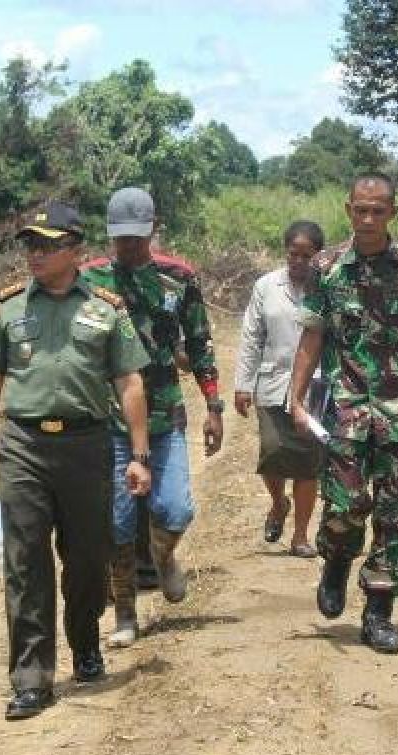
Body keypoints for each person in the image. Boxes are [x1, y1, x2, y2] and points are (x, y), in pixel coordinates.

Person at [0, 202, 153, 721]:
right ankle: (32, 678)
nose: (36, 255)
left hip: (87, 446)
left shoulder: (106, 311)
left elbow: (130, 383)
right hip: (23, 446)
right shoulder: (7, 311)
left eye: (48, 246)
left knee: (87, 558)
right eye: (31, 245)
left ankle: (86, 639)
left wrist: (138, 456)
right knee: (25, 564)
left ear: (75, 251)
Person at [288, 172, 398, 655]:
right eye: (361, 209)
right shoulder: (327, 267)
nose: (368, 218)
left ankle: (379, 611)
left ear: (392, 213)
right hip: (346, 409)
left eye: (378, 210)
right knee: (346, 504)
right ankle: (337, 560)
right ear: (348, 210)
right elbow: (312, 336)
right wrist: (295, 398)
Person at [83, 187, 224, 648]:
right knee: (118, 523)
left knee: (176, 507)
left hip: (164, 415)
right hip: (109, 419)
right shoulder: (91, 280)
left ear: (153, 229)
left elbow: (200, 344)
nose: (127, 247)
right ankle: (125, 614)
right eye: (120, 238)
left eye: (137, 238)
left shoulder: (177, 279)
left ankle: (164, 559)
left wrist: (214, 405)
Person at [234, 220, 327, 558]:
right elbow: (252, 337)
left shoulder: (329, 287)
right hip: (272, 383)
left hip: (316, 388)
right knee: (272, 455)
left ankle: (301, 536)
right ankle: (278, 504)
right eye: (293, 254)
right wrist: (243, 385)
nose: (299, 262)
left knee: (308, 461)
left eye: (307, 255)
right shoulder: (266, 286)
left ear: (318, 256)